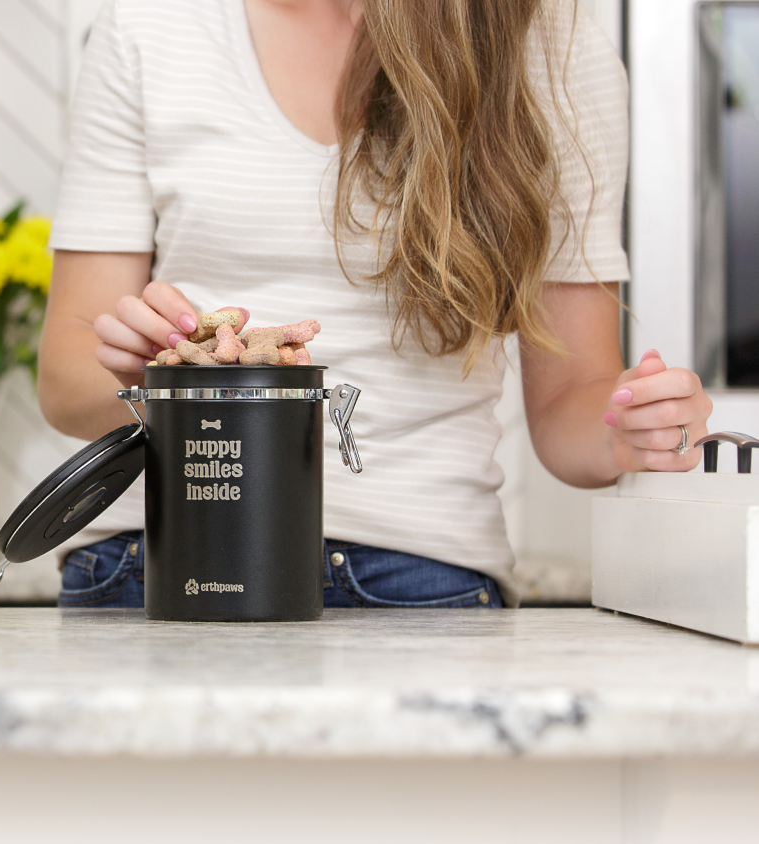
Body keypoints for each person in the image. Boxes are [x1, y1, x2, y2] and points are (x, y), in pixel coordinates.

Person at [38, 0, 714, 609]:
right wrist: (155, 377)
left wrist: (629, 430)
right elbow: (66, 387)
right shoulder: (150, 27)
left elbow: (571, 403)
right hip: (156, 558)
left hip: (419, 574)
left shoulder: (551, 48)